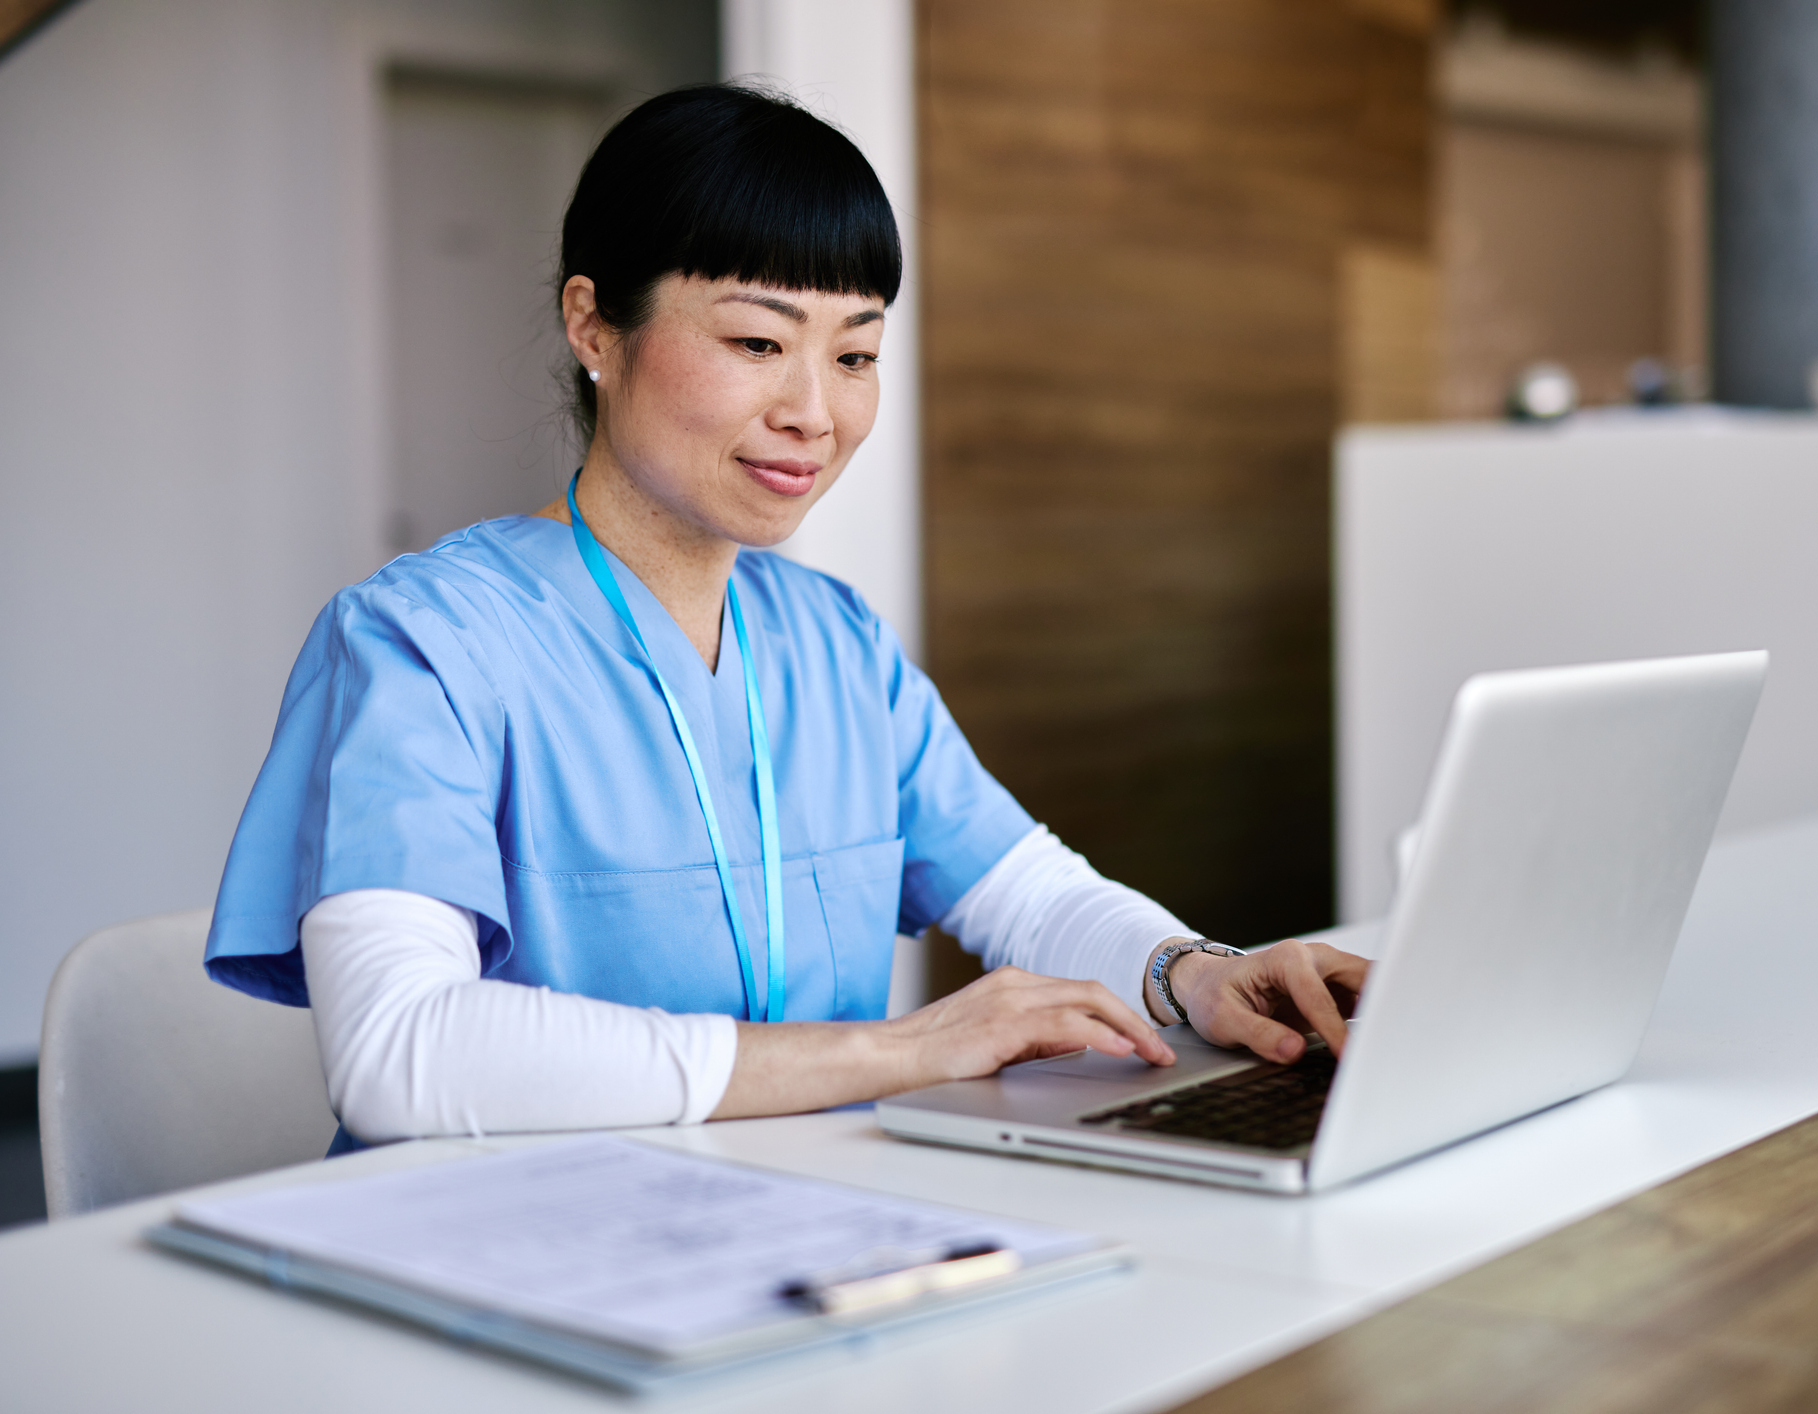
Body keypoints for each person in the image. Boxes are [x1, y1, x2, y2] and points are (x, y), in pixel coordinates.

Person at [205, 84, 1366, 1150]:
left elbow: (1029, 894)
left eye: (853, 353)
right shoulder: (424, 643)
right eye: (757, 343)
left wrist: (1194, 973)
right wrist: (896, 1053)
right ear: (593, 327)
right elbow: (396, 1054)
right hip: (518, 1263)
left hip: (809, 1230)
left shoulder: (832, 642)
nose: (814, 412)